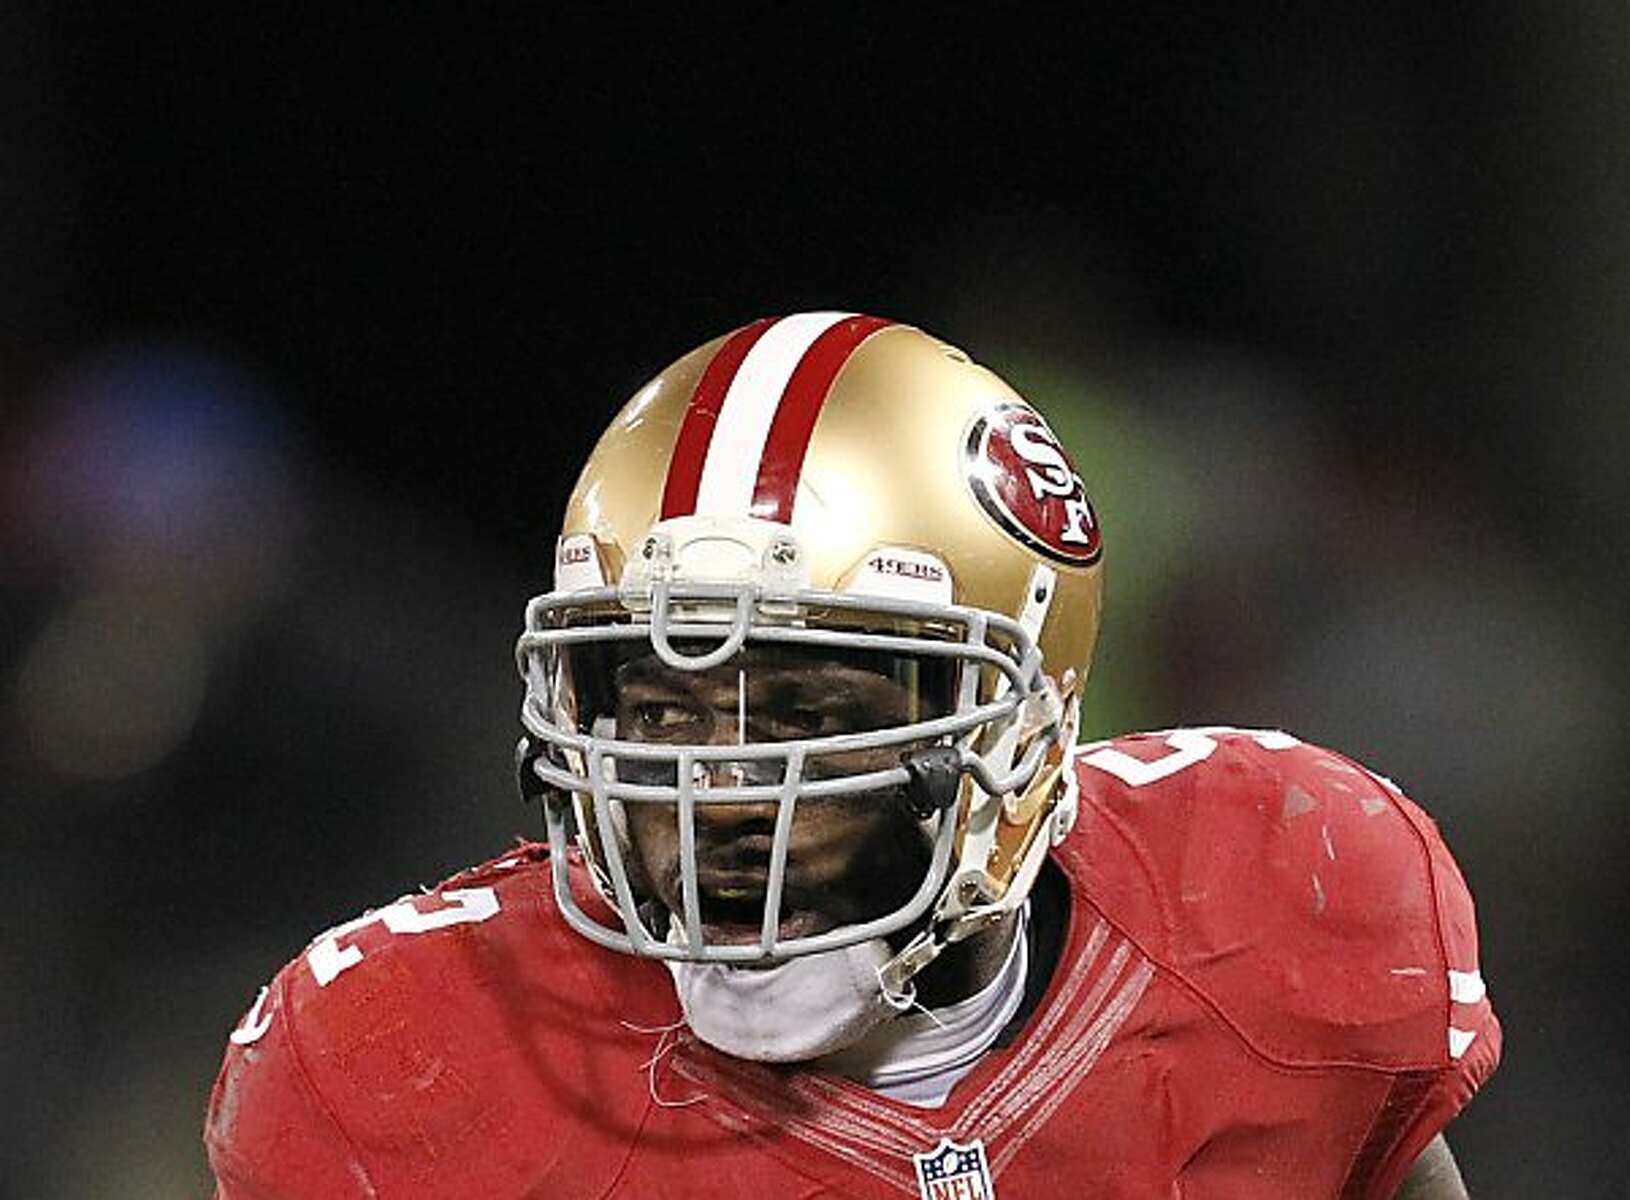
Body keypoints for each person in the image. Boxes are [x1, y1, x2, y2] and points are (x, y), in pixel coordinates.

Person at [205, 312, 1500, 1199]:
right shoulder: (404, 1058)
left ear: (1020, 727)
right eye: (660, 715)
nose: (718, 795)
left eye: (813, 719)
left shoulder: (1284, 903)